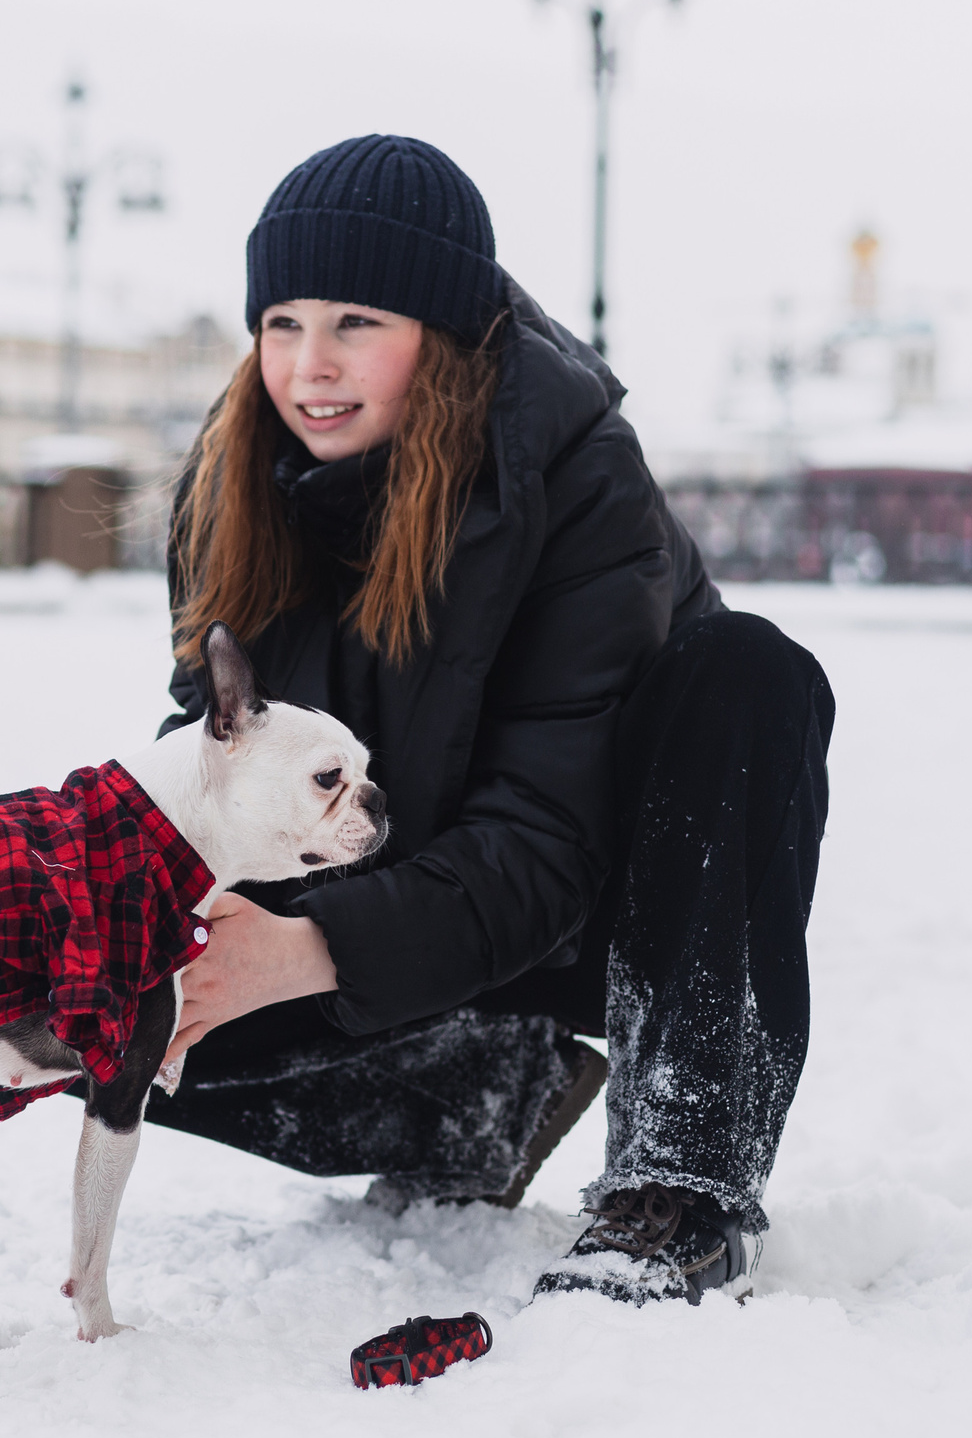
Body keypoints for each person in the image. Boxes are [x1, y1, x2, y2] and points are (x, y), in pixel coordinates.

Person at [141, 135, 836, 1306]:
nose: (310, 366)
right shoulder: (229, 493)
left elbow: (548, 836)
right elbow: (206, 781)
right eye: (281, 324)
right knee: (91, 988)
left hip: (580, 912)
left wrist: (308, 952)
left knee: (748, 672)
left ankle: (680, 1186)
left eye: (357, 322)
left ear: (447, 336)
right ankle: (471, 1101)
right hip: (384, 880)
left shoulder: (580, 483)